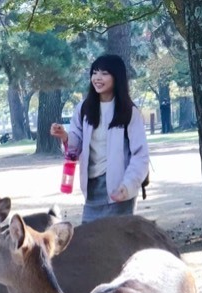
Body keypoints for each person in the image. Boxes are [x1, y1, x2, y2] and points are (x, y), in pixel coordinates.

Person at [50, 54, 149, 224]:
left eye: (104, 73)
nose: (97, 78)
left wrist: (127, 186)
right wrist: (64, 136)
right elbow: (76, 144)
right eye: (95, 73)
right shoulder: (83, 109)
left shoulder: (129, 112)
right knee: (89, 241)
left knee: (117, 242)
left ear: (116, 77)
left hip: (119, 189)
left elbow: (140, 155)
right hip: (92, 187)